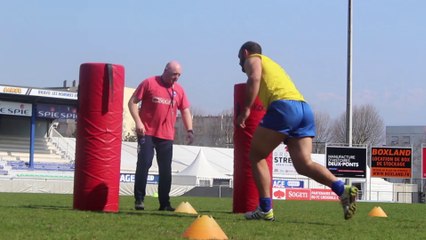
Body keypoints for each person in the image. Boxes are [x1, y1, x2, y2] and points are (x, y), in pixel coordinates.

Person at [236, 41, 358, 221]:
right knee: (303, 164)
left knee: (256, 155)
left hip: (284, 107)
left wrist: (246, 109)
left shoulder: (254, 59)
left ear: (245, 53)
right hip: (304, 109)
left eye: (239, 59)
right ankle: (342, 189)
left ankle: (265, 208)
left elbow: (253, 78)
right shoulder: (274, 66)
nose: (240, 64)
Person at [128, 60, 194, 211]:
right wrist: (138, 122)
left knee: (166, 169)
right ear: (165, 71)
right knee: (144, 163)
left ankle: (164, 203)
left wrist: (190, 130)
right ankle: (139, 199)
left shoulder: (179, 90)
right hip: (147, 132)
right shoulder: (149, 83)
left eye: (179, 75)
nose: (176, 78)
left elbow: (185, 110)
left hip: (166, 136)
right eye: (173, 74)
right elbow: (132, 102)